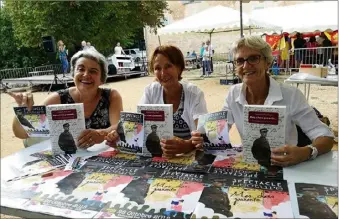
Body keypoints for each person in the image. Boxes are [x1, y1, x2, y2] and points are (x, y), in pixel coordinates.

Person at [192, 36, 334, 167]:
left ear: (267, 63)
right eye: (240, 61)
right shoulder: (233, 93)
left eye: (253, 58)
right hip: (252, 165)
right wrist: (203, 137)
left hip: (287, 168)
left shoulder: (291, 95)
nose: (246, 66)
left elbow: (326, 136)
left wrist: (306, 152)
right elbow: (217, 130)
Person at [107, 45, 208, 157]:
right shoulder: (151, 91)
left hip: (187, 158)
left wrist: (187, 145)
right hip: (157, 159)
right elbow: (136, 126)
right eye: (157, 68)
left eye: (168, 66)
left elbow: (202, 134)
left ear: (179, 68)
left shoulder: (194, 94)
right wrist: (119, 139)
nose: (163, 73)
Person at [10, 49, 123, 148]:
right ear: (73, 74)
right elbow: (23, 134)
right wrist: (22, 111)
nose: (86, 74)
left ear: (102, 79)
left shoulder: (111, 96)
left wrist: (100, 134)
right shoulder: (57, 98)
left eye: (93, 71)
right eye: (81, 69)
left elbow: (118, 126)